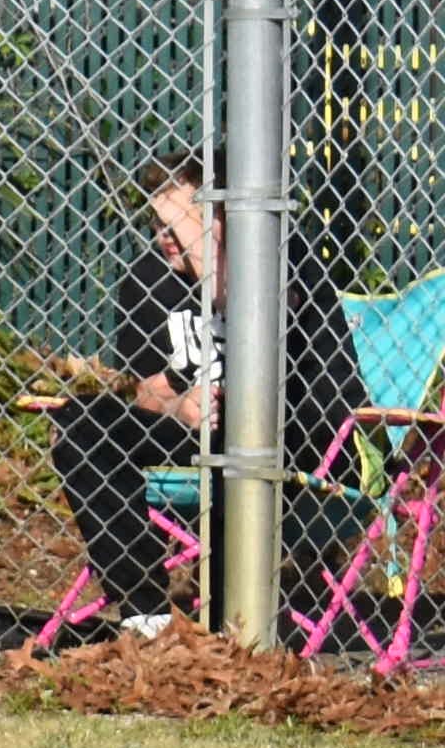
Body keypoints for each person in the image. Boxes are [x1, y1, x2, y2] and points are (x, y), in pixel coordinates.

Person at [46, 150, 366, 641]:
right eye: (157, 223)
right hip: (197, 437)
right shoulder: (147, 280)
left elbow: (322, 389)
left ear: (221, 216)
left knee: (247, 422)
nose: (163, 237)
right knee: (81, 421)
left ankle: (234, 617)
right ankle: (144, 612)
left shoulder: (287, 262)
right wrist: (181, 405)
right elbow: (147, 393)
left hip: (298, 438)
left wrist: (208, 258)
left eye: (177, 223)